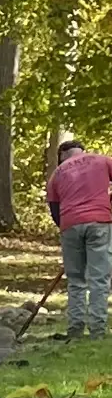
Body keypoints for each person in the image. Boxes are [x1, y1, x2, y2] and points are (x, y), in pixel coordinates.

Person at [46, 140, 112, 340]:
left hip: (70, 224)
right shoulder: (102, 161)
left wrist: (67, 231)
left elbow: (54, 209)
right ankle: (97, 331)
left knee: (76, 281)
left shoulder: (57, 174)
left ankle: (75, 330)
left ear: (63, 155)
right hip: (100, 222)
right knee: (99, 279)